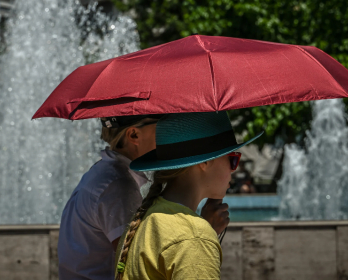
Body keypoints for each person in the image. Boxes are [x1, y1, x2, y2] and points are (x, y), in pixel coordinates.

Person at [58, 114, 232, 280]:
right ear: (134, 134)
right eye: (163, 125)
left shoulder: (109, 177)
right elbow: (135, 262)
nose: (169, 132)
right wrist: (202, 232)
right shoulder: (119, 186)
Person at [114, 111, 263, 280]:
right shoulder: (192, 237)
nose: (233, 170)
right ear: (205, 162)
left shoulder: (148, 216)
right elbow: (186, 243)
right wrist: (201, 236)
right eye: (233, 159)